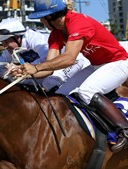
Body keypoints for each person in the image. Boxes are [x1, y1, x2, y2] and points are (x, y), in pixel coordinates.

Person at [21, 0, 128, 153]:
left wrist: (36, 67)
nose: (41, 21)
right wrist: (25, 73)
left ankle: (124, 129)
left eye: (42, 18)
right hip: (97, 66)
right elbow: (50, 66)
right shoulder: (56, 34)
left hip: (118, 63)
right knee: (60, 95)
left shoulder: (78, 23)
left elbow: (69, 58)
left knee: (86, 91)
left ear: (51, 17)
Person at [0, 17, 86, 92]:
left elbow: (47, 60)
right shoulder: (11, 49)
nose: (4, 46)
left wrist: (20, 68)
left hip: (72, 62)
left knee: (50, 83)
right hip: (51, 68)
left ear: (17, 37)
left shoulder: (33, 38)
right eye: (2, 43)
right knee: (21, 83)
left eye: (7, 42)